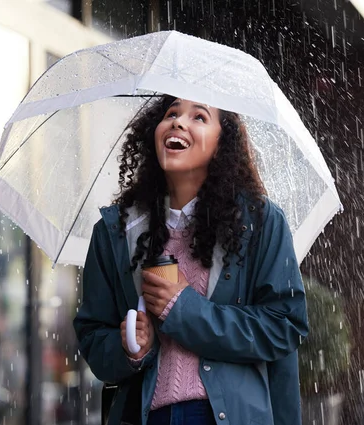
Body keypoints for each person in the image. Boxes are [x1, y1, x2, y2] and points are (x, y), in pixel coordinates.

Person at [73, 95, 308, 425]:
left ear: (221, 141)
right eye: (171, 113)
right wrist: (130, 348)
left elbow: (284, 326)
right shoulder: (115, 231)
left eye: (199, 117)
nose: (178, 122)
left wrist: (185, 310)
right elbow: (93, 336)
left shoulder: (259, 223)